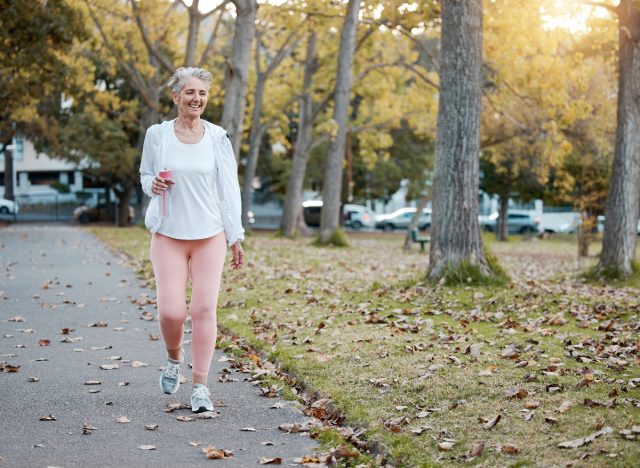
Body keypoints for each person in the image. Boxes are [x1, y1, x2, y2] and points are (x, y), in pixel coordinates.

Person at [139, 67, 245, 413]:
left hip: (209, 234)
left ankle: (200, 386)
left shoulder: (217, 138)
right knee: (171, 311)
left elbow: (229, 188)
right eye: (189, 93)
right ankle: (174, 358)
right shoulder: (158, 135)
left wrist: (235, 236)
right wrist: (151, 185)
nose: (196, 99)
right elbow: (145, 175)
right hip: (169, 231)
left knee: (202, 309)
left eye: (201, 93)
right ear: (176, 97)